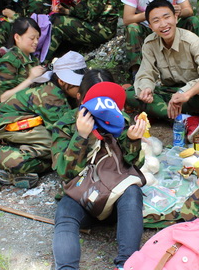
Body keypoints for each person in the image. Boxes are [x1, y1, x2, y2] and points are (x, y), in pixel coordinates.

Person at [51, 69, 146, 270]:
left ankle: (126, 264)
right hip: (83, 195)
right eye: (94, 99)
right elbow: (64, 172)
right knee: (65, 212)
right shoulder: (66, 123)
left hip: (115, 198)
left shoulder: (119, 119)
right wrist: (81, 136)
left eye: (106, 100)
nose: (100, 106)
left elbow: (135, 163)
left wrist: (132, 140)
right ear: (80, 97)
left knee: (132, 192)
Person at [0, 51, 88, 190]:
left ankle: (25, 166)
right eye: (77, 85)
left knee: (52, 153)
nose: (81, 89)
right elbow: (62, 133)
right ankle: (12, 169)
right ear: (62, 81)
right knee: (48, 151)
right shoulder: (50, 95)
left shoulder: (59, 90)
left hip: (21, 129)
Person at [125, 0, 199, 120]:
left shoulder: (191, 41)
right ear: (151, 26)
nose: (163, 24)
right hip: (169, 92)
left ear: (175, 18)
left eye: (166, 17)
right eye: (156, 21)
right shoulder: (150, 43)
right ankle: (180, 118)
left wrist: (184, 92)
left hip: (191, 93)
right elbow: (146, 73)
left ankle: (161, 112)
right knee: (131, 93)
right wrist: (147, 88)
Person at [0, 17, 45, 104]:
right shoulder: (8, 62)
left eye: (37, 38)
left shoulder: (32, 58)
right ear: (17, 37)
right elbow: (3, 98)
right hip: (12, 109)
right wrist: (30, 79)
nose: (36, 42)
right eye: (32, 38)